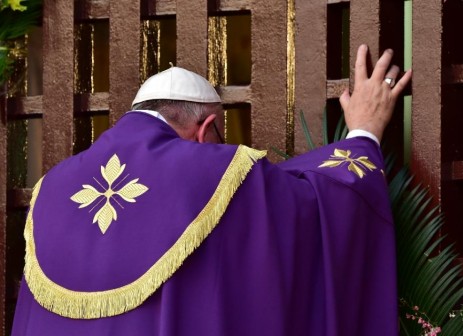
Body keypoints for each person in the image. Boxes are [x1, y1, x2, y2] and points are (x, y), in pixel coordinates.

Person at [12, 45, 412, 335]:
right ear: (205, 130)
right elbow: (316, 206)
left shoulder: (52, 189)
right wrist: (363, 131)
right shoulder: (217, 172)